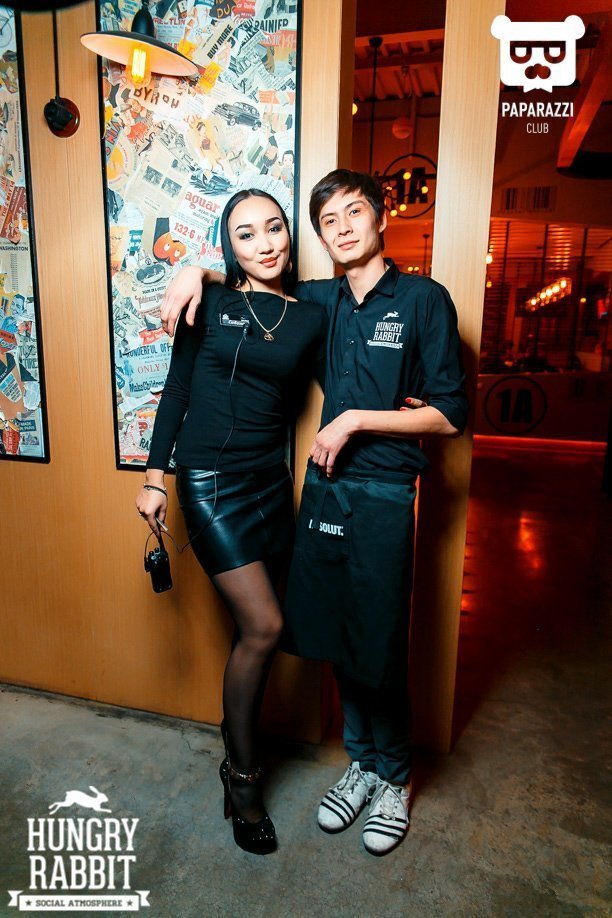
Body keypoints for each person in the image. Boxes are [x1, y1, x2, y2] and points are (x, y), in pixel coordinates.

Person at [159, 169, 468, 857]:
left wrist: (356, 418)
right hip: (324, 487)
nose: (344, 228)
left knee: (379, 639)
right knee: (337, 632)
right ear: (321, 238)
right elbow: (248, 283)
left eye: (355, 212)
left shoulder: (424, 299)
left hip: (386, 490)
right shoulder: (317, 300)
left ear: (382, 216)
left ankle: (394, 777)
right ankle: (361, 763)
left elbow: (450, 414)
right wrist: (196, 270)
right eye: (330, 221)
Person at [136, 189, 325, 856]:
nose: (265, 243)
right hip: (211, 486)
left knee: (266, 632)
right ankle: (244, 780)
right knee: (263, 626)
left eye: (274, 228)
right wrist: (154, 479)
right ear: (230, 244)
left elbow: (350, 368)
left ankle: (235, 748)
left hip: (270, 483)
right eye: (246, 234)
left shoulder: (313, 314)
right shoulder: (208, 301)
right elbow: (178, 389)